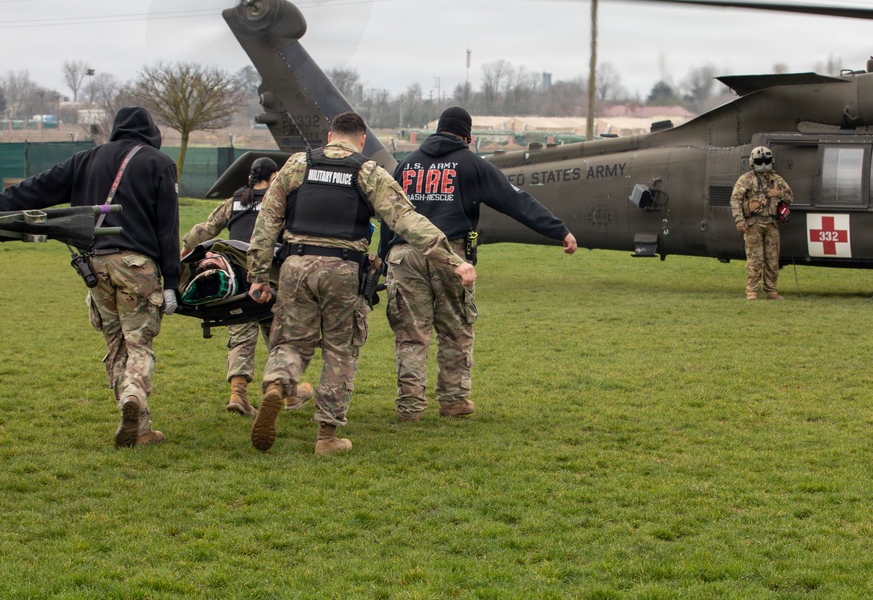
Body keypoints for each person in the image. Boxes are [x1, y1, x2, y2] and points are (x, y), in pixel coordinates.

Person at [245, 111, 476, 454]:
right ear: (362, 140)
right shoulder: (367, 171)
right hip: (342, 269)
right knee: (341, 351)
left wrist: (258, 275)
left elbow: (266, 222)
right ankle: (327, 437)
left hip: (295, 265)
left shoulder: (296, 165)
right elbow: (406, 220)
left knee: (291, 341)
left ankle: (278, 382)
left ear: (329, 136)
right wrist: (453, 260)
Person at [378, 106, 577, 422]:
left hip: (404, 253)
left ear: (438, 130)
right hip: (451, 255)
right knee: (455, 330)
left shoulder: (407, 164)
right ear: (467, 135)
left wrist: (382, 256)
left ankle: (410, 407)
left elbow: (390, 213)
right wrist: (559, 230)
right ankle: (454, 400)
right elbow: (515, 201)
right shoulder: (471, 163)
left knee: (411, 334)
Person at [0, 106, 179, 447]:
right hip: (136, 267)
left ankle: (139, 428)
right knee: (139, 342)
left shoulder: (86, 159)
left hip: (94, 265)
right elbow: (167, 230)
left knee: (116, 345)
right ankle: (134, 397)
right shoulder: (159, 164)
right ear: (151, 132)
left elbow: (37, 189)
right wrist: (172, 282)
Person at [180, 157, 313, 417]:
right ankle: (289, 392)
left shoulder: (235, 202)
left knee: (241, 335)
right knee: (279, 338)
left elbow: (205, 230)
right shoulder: (280, 200)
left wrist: (183, 251)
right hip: (270, 282)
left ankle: (238, 394)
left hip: (237, 283)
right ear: (275, 175)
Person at [730, 145, 794, 300]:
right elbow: (735, 200)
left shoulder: (777, 180)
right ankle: (752, 290)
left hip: (771, 224)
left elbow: (790, 197)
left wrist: (778, 193)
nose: (764, 164)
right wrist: (739, 220)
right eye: (760, 161)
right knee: (755, 258)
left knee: (772, 259)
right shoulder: (746, 180)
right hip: (753, 225)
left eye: (766, 161)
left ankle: (771, 290)